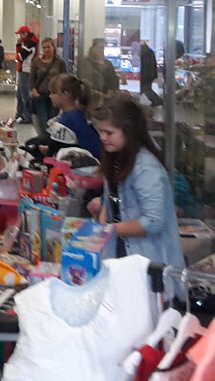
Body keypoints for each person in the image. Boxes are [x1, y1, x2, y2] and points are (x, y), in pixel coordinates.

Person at [91, 95, 183, 271]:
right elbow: (112, 198)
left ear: (129, 131)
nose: (102, 138)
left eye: (109, 133)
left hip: (147, 260)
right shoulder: (116, 157)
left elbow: (154, 222)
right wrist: (102, 226)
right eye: (100, 132)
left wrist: (108, 230)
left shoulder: (146, 168)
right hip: (121, 253)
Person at [22, 74, 101, 161]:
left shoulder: (68, 121)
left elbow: (54, 154)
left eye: (53, 93)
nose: (50, 96)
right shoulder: (76, 115)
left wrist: (47, 152)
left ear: (65, 95)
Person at [30, 38, 67, 140]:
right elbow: (32, 78)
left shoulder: (60, 62)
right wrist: (34, 91)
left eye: (48, 47)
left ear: (53, 47)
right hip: (40, 96)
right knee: (43, 121)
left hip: (55, 97)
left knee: (53, 121)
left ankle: (51, 142)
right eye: (44, 47)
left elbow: (64, 78)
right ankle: (43, 142)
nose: (46, 49)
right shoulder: (36, 62)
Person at [15, 25, 38, 123]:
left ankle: (27, 116)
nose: (19, 36)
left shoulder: (30, 44)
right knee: (19, 94)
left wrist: (18, 46)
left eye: (20, 34)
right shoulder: (28, 43)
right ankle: (20, 114)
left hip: (26, 71)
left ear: (25, 33)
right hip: (23, 70)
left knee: (25, 94)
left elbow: (19, 57)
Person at [140, 41, 163, 107]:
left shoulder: (143, 53)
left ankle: (157, 100)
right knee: (146, 89)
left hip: (145, 75)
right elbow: (153, 65)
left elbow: (143, 65)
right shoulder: (150, 52)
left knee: (145, 89)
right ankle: (156, 101)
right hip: (149, 75)